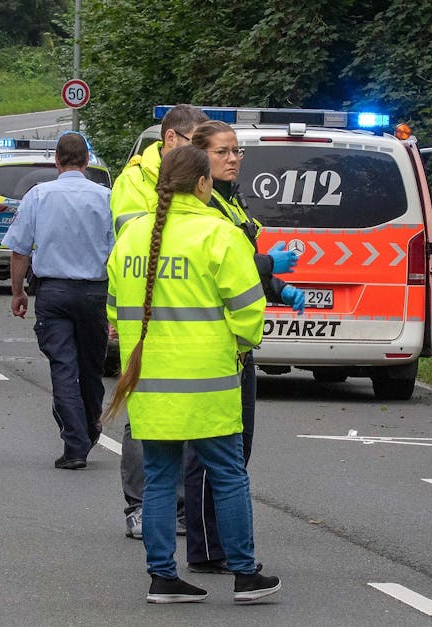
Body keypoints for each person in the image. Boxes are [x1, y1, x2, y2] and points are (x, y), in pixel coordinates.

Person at [103, 145, 279, 604]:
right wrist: (240, 347)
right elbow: (249, 309)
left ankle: (163, 577)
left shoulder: (133, 236)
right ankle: (244, 574)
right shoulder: (219, 234)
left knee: (160, 479)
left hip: (148, 381)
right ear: (203, 184)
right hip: (208, 382)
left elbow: (114, 309)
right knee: (228, 474)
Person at [175, 120, 303, 575]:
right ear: (200, 159)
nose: (233, 159)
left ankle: (220, 545)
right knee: (212, 453)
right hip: (214, 345)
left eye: (237, 151)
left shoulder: (232, 201)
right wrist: (267, 263)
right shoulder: (204, 207)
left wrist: (277, 286)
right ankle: (208, 549)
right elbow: (215, 263)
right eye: (222, 152)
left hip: (238, 344)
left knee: (236, 449)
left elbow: (237, 274)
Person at [110, 104, 210, 539]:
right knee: (143, 419)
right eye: (196, 142)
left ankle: (180, 508)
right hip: (149, 318)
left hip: (185, 318)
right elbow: (133, 244)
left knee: (183, 417)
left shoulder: (197, 176)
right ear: (171, 139)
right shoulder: (135, 180)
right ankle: (140, 506)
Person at [2, 133, 115, 470]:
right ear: (86, 161)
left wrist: (18, 292)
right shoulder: (107, 198)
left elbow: (20, 251)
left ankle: (75, 443)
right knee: (91, 367)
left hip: (54, 293)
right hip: (95, 293)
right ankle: (89, 427)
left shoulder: (38, 195)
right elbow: (119, 251)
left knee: (63, 367)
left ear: (56, 161)